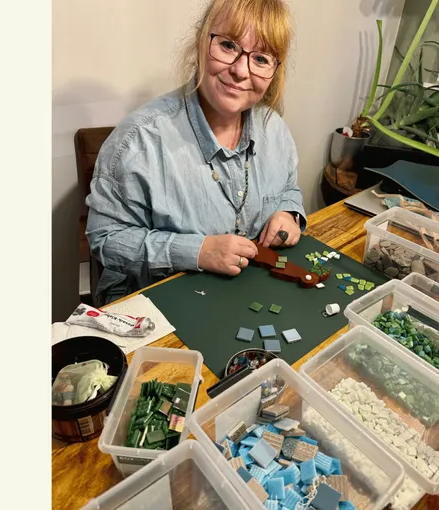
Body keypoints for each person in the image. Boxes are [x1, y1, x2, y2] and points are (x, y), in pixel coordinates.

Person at [86, 0, 306, 306]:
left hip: (248, 294)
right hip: (158, 302)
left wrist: (288, 213)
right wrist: (197, 251)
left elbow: (288, 189)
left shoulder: (275, 130)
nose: (241, 71)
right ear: (201, 43)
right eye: (228, 45)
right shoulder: (138, 140)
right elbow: (105, 239)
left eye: (261, 58)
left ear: (274, 70)